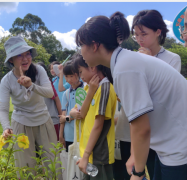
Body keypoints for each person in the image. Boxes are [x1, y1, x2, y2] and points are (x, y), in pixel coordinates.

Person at [75, 12, 187, 180]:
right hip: (171, 145)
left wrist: (138, 172)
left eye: (81, 45)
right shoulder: (125, 61)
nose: (80, 52)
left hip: (178, 147)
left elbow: (141, 128)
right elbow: (139, 123)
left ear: (94, 45)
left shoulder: (125, 68)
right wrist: (136, 157)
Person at [114, 9, 182, 180]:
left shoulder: (172, 58)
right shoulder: (132, 59)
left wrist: (149, 61)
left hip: (164, 132)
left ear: (158, 32)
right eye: (136, 35)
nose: (139, 39)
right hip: (140, 129)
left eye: (144, 34)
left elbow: (165, 96)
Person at [0, 36, 62, 179]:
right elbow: (3, 109)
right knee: (25, 167)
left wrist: (31, 85)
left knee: (54, 163)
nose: (25, 58)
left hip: (44, 120)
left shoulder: (39, 70)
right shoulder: (6, 81)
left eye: (27, 53)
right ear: (11, 60)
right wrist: (6, 127)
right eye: (19, 55)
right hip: (21, 123)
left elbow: (50, 92)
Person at [70, 54, 117, 180]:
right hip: (90, 152)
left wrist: (85, 155)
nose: (81, 77)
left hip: (99, 153)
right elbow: (81, 112)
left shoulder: (105, 88)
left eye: (80, 72)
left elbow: (98, 125)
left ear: (92, 67)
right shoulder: (89, 87)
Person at [59, 59, 84, 152]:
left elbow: (80, 113)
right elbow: (62, 115)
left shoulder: (84, 90)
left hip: (81, 133)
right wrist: (61, 135)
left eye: (71, 76)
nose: (69, 79)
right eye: (66, 76)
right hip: (68, 134)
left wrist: (66, 118)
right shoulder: (66, 93)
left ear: (78, 74)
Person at [37, 61, 62, 141]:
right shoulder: (32, 84)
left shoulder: (47, 83)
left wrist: (61, 118)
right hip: (39, 121)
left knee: (55, 148)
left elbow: (56, 99)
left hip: (52, 120)